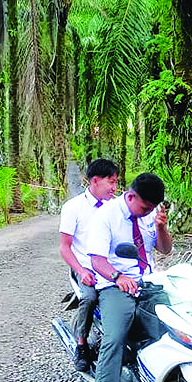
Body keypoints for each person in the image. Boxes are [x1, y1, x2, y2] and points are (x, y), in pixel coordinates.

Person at [86, 172, 172, 382]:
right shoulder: (106, 216)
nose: (148, 213)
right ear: (131, 196)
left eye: (152, 209)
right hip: (114, 284)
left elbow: (165, 250)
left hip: (148, 281)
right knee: (114, 336)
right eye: (145, 208)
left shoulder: (149, 215)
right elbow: (97, 260)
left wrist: (160, 227)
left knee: (175, 325)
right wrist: (118, 277)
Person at [58, 159, 119, 371]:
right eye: (111, 182)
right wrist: (81, 270)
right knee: (90, 297)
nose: (114, 187)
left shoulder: (117, 206)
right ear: (95, 181)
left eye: (116, 182)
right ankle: (82, 345)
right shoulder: (73, 208)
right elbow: (65, 247)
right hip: (86, 269)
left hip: (112, 269)